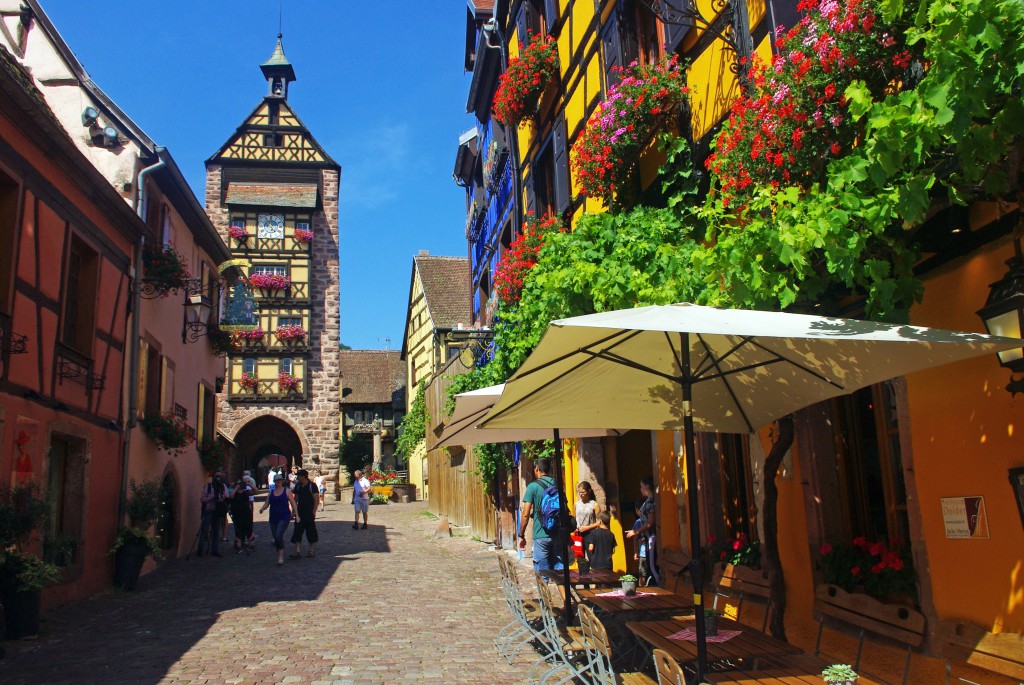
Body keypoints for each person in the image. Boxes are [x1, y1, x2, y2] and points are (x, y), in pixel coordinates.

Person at [518, 457, 564, 572]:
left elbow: (525, 514)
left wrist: (522, 535)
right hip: (557, 533)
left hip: (540, 533)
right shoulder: (558, 485)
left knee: (542, 573)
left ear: (537, 468)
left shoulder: (532, 486)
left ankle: (545, 588)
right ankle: (564, 590)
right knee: (560, 574)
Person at [626, 477, 659, 586]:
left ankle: (657, 587)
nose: (640, 489)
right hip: (647, 537)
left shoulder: (650, 502)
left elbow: (650, 522)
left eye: (641, 486)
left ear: (647, 486)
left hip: (651, 538)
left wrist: (636, 532)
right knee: (649, 567)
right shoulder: (648, 502)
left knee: (651, 568)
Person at [259, 472, 295, 566]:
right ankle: (279, 554)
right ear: (274, 481)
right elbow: (267, 502)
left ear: (282, 481)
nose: (278, 482)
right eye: (277, 480)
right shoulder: (271, 492)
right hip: (273, 517)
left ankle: (280, 557)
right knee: (276, 537)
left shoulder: (286, 491)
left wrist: (296, 513)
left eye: (280, 480)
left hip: (284, 516)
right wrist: (262, 508)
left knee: (278, 535)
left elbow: (292, 502)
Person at [198, 470, 230, 557]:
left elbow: (227, 496)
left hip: (218, 511)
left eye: (220, 476)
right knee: (204, 530)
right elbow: (202, 498)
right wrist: (211, 498)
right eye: (217, 476)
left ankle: (214, 550)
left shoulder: (223, 486)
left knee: (216, 531)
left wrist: (221, 498)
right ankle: (200, 550)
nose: (218, 478)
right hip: (209, 510)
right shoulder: (208, 486)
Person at [289, 469, 320, 558]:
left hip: (309, 513)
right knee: (297, 532)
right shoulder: (298, 486)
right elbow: (295, 499)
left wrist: (314, 512)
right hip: (300, 513)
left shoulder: (312, 486)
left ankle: (311, 551)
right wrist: (293, 511)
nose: (297, 477)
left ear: (303, 476)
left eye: (298, 476)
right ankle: (298, 551)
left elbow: (316, 499)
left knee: (311, 532)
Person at [574, 481, 601, 562]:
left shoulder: (594, 504)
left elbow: (599, 522)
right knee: (579, 558)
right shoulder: (577, 504)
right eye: (579, 492)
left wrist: (587, 527)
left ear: (589, 491)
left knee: (592, 557)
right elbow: (575, 519)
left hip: (590, 534)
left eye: (583, 492)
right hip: (579, 534)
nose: (581, 494)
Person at [229, 479, 255, 553]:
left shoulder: (246, 492)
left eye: (241, 484)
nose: (240, 485)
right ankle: (238, 546)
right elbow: (231, 496)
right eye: (238, 484)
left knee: (249, 529)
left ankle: (252, 545)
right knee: (238, 530)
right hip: (237, 514)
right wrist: (236, 488)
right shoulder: (233, 492)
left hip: (247, 513)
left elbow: (256, 491)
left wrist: (250, 485)